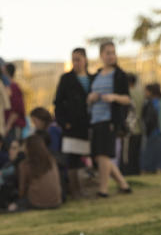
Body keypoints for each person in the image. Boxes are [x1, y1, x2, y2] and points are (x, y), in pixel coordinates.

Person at [87, 41, 132, 197]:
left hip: (109, 119)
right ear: (101, 55)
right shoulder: (96, 75)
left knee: (104, 154)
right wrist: (90, 98)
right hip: (96, 119)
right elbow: (89, 98)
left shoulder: (119, 75)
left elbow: (127, 99)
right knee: (99, 155)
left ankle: (103, 189)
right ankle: (123, 185)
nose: (111, 56)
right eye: (108, 53)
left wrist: (114, 97)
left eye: (113, 52)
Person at [53, 47, 92, 199]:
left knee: (85, 158)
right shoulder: (66, 79)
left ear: (85, 60)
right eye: (73, 60)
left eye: (79, 59)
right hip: (71, 126)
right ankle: (75, 191)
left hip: (86, 125)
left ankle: (87, 187)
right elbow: (58, 102)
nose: (76, 63)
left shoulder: (92, 78)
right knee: (73, 159)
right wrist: (64, 122)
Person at [14, 134, 62, 210]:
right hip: (56, 202)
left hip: (36, 203)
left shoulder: (25, 165)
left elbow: (22, 190)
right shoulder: (51, 161)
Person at [141, 83, 161, 173]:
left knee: (151, 155)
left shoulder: (151, 103)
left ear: (151, 92)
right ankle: (160, 170)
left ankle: (150, 170)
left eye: (146, 91)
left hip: (154, 133)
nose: (144, 93)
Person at [121, 73, 144, 176]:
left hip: (129, 128)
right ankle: (136, 172)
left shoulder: (126, 94)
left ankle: (127, 173)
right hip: (139, 127)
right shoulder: (141, 93)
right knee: (136, 154)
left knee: (127, 155)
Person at [4, 62, 27, 143]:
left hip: (13, 128)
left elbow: (16, 110)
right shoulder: (7, 87)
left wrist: (7, 126)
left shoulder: (14, 87)